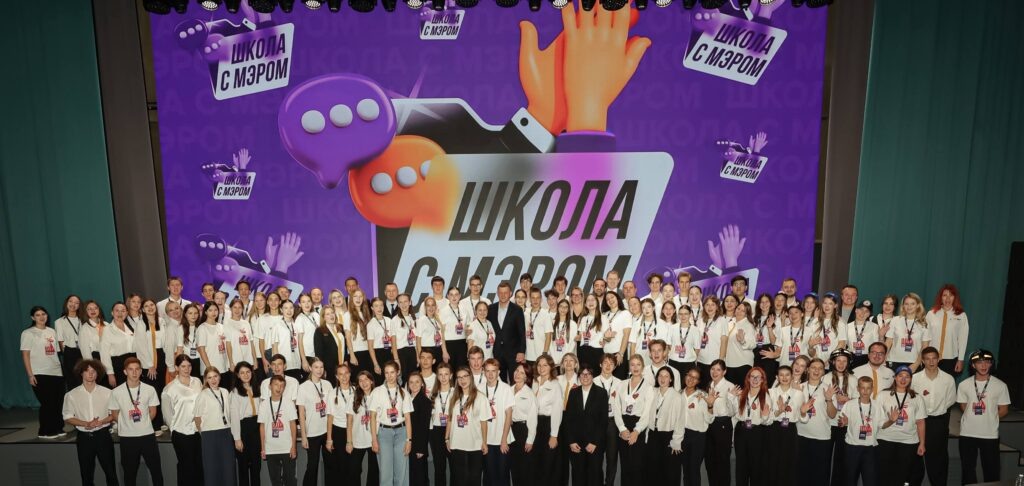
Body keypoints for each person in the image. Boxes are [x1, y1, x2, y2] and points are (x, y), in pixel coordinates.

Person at [957, 349, 1009, 484]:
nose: (984, 365)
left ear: (991, 364)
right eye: (979, 362)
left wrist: (989, 418)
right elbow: (963, 406)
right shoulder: (963, 385)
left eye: (987, 362)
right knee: (968, 471)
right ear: (973, 365)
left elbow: (1004, 410)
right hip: (967, 433)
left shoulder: (1000, 385)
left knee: (992, 472)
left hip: (989, 434)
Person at [109, 357, 163, 486]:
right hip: (127, 437)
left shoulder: (149, 389)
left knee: (156, 471)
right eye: (130, 369)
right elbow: (115, 414)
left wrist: (143, 423)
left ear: (141, 371)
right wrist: (129, 423)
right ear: (125, 371)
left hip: (147, 435)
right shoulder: (116, 392)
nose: (134, 372)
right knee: (129, 474)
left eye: (137, 369)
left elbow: (153, 412)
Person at [62, 359, 118, 486]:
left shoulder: (108, 393)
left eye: (94, 371)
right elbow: (67, 416)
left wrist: (101, 422)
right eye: (87, 371)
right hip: (84, 438)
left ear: (98, 373)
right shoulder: (71, 395)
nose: (91, 373)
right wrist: (86, 424)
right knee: (86, 475)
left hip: (103, 436)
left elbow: (113, 414)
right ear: (81, 373)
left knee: (111, 473)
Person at [910, 346, 955, 486]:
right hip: (917, 422)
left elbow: (950, 400)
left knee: (938, 459)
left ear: (938, 359)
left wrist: (938, 410)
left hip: (938, 421)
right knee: (914, 458)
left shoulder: (948, 379)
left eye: (934, 358)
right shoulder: (915, 378)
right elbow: (910, 399)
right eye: (927, 359)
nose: (931, 362)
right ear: (922, 361)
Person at [875, 365, 925, 486]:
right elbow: (878, 422)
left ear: (910, 379)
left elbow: (920, 422)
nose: (903, 379)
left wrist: (922, 443)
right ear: (895, 378)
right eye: (900, 376)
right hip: (885, 440)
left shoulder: (917, 398)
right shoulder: (883, 395)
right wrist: (891, 421)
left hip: (908, 442)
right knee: (884, 476)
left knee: (902, 477)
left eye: (907, 376)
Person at [21, 305, 66, 438]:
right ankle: (46, 431)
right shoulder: (28, 333)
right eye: (38, 315)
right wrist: (30, 375)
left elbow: (56, 351)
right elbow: (25, 355)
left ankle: (58, 427)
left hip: (56, 371)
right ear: (32, 318)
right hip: (40, 372)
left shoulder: (52, 331)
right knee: (48, 402)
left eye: (43, 314)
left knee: (58, 402)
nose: (41, 317)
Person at [564, 364, 610, 486]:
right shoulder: (573, 393)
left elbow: (603, 421)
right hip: (576, 444)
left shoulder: (601, 393)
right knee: (578, 475)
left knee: (594, 475)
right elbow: (568, 419)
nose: (585, 376)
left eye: (588, 374)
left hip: (595, 443)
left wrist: (594, 442)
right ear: (579, 376)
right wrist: (571, 441)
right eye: (582, 374)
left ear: (592, 376)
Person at [370, 361, 414, 486]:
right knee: (385, 472)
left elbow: (408, 418)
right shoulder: (377, 391)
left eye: (392, 372)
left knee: (402, 471)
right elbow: (372, 417)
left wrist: (409, 440)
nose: (389, 376)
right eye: (386, 373)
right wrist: (374, 440)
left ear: (398, 372)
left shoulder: (404, 392)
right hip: (384, 433)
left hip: (401, 432)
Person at [162, 354, 204, 485]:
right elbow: (167, 415)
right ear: (176, 367)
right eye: (183, 366)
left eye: (189, 366)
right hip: (181, 433)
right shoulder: (169, 389)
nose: (187, 369)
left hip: (198, 431)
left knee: (199, 466)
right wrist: (174, 431)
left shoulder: (197, 382)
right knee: (186, 468)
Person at [613, 354, 655, 486]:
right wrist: (621, 429)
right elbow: (616, 408)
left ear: (643, 367)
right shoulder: (622, 384)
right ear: (629, 367)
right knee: (625, 465)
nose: (635, 367)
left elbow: (647, 413)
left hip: (639, 427)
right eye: (632, 364)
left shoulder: (648, 387)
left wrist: (637, 431)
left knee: (637, 466)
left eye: (638, 364)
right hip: (623, 426)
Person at [836, 376, 885, 486]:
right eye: (862, 388)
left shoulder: (877, 405)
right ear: (858, 388)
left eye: (868, 388)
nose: (865, 391)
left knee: (870, 481)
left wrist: (891, 420)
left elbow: (882, 424)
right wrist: (843, 422)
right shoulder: (850, 404)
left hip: (870, 448)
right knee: (849, 480)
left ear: (872, 389)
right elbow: (841, 422)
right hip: (852, 447)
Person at [447, 365, 490, 486]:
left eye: (465, 376)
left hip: (474, 444)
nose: (462, 380)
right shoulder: (453, 396)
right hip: (457, 444)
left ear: (470, 377)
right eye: (459, 377)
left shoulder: (481, 398)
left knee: (474, 479)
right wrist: (447, 438)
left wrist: (484, 442)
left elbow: (484, 422)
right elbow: (450, 419)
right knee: (459, 479)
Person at [194, 366, 237, 485]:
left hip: (226, 432)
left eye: (215, 376)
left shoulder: (225, 391)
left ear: (220, 377)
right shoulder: (203, 394)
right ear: (206, 380)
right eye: (209, 377)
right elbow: (197, 418)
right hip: (209, 434)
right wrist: (203, 433)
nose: (213, 380)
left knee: (228, 467)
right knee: (211, 468)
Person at [645, 366, 684, 486]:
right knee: (653, 469)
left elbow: (680, 420)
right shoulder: (653, 392)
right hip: (653, 435)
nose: (663, 379)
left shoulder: (677, 396)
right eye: (660, 376)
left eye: (666, 376)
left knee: (669, 471)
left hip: (669, 436)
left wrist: (676, 440)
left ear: (671, 379)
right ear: (657, 378)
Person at [797, 358, 833, 486]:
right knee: (801, 474)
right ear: (807, 370)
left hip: (822, 437)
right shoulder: (799, 387)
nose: (816, 371)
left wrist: (829, 400)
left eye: (820, 368)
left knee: (820, 475)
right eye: (813, 367)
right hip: (801, 435)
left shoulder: (828, 389)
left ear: (823, 372)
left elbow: (832, 414)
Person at [297, 358, 333, 486]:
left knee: (330, 464)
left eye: (321, 367)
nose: (319, 370)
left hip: (327, 431)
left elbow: (332, 409)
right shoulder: (303, 387)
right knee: (312, 466)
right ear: (310, 368)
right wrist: (304, 436)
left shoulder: (327, 384)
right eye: (316, 367)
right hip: (312, 433)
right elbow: (301, 414)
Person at [824, 348, 856, 486]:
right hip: (828, 423)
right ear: (833, 362)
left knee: (841, 459)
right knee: (824, 458)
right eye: (838, 360)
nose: (841, 364)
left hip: (845, 423)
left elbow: (859, 401)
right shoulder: (826, 378)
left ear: (848, 363)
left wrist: (847, 399)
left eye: (844, 361)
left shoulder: (853, 379)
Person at [767, 365, 803, 486]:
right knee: (773, 461)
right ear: (777, 377)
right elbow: (767, 416)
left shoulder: (798, 393)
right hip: (774, 429)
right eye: (781, 375)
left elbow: (802, 417)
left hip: (790, 430)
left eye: (787, 375)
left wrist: (803, 413)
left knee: (788, 461)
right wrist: (779, 411)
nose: (784, 377)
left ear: (792, 376)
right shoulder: (770, 392)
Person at [259, 374, 299, 486]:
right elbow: (262, 427)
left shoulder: (289, 403)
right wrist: (263, 448)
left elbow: (293, 425)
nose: (279, 388)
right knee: (275, 481)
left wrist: (293, 446)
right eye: (276, 384)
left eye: (282, 385)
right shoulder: (263, 404)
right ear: (269, 386)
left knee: (290, 479)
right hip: (270, 448)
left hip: (287, 447)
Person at [482, 358, 515, 486]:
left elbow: (509, 415)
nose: (490, 374)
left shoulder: (505, 388)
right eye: (487, 371)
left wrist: (504, 440)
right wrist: (483, 441)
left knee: (503, 475)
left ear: (499, 372)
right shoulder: (479, 389)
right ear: (484, 372)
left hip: (502, 439)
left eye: (493, 371)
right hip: (487, 440)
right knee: (489, 475)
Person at [137, 299, 169, 431]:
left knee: (161, 390)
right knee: (152, 392)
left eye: (152, 305)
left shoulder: (161, 321)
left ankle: (161, 420)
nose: (150, 308)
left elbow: (166, 342)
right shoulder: (141, 324)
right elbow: (141, 347)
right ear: (142, 310)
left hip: (162, 358)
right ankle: (154, 423)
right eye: (146, 306)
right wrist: (149, 365)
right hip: (149, 361)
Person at [705, 359, 738, 486]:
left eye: (718, 369)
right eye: (712, 369)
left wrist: (730, 397)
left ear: (724, 372)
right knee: (710, 462)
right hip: (710, 424)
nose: (714, 372)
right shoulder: (710, 385)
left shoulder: (730, 386)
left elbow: (733, 412)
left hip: (723, 425)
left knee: (722, 463)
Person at [926, 284, 970, 376]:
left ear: (955, 298)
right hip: (931, 358)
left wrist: (960, 360)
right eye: (945, 295)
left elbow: (963, 339)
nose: (948, 298)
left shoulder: (961, 315)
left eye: (951, 295)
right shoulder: (931, 314)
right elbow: (926, 337)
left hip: (950, 359)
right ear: (940, 297)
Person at [487, 281, 527, 382]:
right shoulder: (490, 309)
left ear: (510, 293)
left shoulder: (517, 310)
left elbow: (522, 333)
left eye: (505, 292)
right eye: (500, 292)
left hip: (513, 354)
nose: (503, 295)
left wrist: (522, 351)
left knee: (515, 381)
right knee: (499, 382)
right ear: (497, 293)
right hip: (496, 353)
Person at [534, 355, 563, 486]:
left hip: (548, 425)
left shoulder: (555, 385)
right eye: (539, 365)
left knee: (548, 464)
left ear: (551, 367)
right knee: (537, 463)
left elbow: (557, 411)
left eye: (545, 365)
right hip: (535, 425)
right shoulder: (535, 382)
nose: (541, 368)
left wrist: (554, 435)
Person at [231, 362, 262, 486]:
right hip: (243, 428)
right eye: (242, 373)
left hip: (256, 427)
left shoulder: (257, 388)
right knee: (243, 466)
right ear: (238, 375)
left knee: (256, 466)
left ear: (252, 373)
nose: (246, 375)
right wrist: (237, 439)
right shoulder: (235, 392)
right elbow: (234, 417)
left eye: (248, 372)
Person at [680, 367, 712, 486]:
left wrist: (710, 405)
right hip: (682, 435)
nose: (691, 379)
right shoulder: (679, 394)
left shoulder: (702, 396)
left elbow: (709, 419)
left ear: (698, 381)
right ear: (685, 376)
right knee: (685, 470)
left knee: (694, 471)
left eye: (695, 378)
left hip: (697, 437)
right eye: (689, 375)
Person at [325, 363, 355, 485]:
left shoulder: (356, 391)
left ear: (350, 374)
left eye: (346, 373)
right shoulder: (333, 393)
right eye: (341, 374)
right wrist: (329, 439)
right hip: (339, 431)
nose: (344, 377)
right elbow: (330, 417)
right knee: (341, 466)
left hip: (354, 431)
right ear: (337, 377)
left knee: (353, 467)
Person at [509, 362, 538, 486]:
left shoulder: (530, 394)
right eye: (517, 371)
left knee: (525, 467)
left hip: (523, 430)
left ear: (527, 377)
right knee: (514, 465)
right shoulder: (508, 390)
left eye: (522, 373)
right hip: (510, 430)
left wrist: (530, 440)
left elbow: (533, 419)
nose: (518, 374)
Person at [887, 293, 930, 371]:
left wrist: (916, 364)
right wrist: (883, 358)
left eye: (912, 304)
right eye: (906, 304)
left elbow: (925, 347)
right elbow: (888, 342)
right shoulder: (895, 320)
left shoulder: (924, 323)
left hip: (914, 363)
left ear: (918, 305)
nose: (909, 307)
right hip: (894, 361)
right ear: (903, 305)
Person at [430, 363, 456, 486]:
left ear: (451, 375)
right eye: (440, 374)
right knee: (439, 468)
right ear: (437, 376)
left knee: (454, 467)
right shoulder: (433, 394)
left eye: (446, 374)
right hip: (436, 431)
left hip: (452, 431)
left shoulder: (456, 393)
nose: (443, 377)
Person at [101, 302, 136, 387]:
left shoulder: (133, 326)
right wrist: (110, 373)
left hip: (134, 363)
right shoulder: (107, 330)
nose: (120, 313)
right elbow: (104, 353)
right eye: (117, 311)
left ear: (127, 313)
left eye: (123, 311)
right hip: (118, 365)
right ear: (112, 313)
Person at [721, 302, 757, 385]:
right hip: (729, 363)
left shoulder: (748, 325)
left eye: (743, 311)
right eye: (738, 309)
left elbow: (753, 344)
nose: (739, 311)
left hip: (742, 364)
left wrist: (742, 341)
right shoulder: (731, 323)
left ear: (746, 314)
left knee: (740, 391)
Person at [407, 371, 432, 486]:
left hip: (418, 446)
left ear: (422, 384)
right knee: (411, 476)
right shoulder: (406, 399)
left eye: (417, 382)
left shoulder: (425, 401)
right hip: (408, 443)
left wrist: (421, 449)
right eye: (411, 382)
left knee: (420, 477)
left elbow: (424, 427)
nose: (414, 385)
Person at [56, 295, 86, 390]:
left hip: (84, 351)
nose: (73, 304)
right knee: (72, 381)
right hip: (70, 353)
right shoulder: (59, 321)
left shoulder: (83, 320)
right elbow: (60, 340)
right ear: (66, 303)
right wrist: (66, 353)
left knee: (85, 378)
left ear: (79, 306)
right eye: (71, 301)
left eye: (76, 303)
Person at [629, 298, 668, 367]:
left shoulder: (662, 324)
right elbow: (633, 344)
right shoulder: (636, 324)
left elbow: (666, 345)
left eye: (649, 307)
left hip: (657, 360)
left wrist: (665, 357)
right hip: (639, 360)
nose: (646, 310)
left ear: (653, 308)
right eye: (643, 308)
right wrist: (632, 362)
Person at [314, 306, 346, 387]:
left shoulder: (340, 327)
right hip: (329, 368)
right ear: (324, 317)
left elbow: (345, 347)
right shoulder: (320, 331)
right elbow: (318, 353)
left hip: (342, 366)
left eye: (332, 313)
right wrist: (323, 369)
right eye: (327, 314)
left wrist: (346, 360)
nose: (331, 315)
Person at [441, 287, 469, 369]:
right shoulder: (443, 311)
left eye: (456, 294)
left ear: (460, 296)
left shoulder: (464, 310)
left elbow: (467, 328)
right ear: (447, 296)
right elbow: (441, 334)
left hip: (462, 344)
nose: (454, 297)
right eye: (451, 294)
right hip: (449, 345)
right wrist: (444, 352)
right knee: (450, 371)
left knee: (462, 370)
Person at [393, 294, 419, 382]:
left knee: (414, 378)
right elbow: (393, 342)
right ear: (398, 304)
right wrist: (396, 360)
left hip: (413, 351)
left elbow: (416, 341)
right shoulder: (395, 320)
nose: (403, 304)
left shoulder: (414, 319)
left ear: (410, 302)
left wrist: (418, 356)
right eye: (400, 302)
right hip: (401, 353)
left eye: (405, 301)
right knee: (404, 379)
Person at [577, 295, 606, 374]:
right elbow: (580, 336)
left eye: (593, 300)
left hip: (596, 351)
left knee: (596, 376)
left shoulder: (603, 318)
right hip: (583, 350)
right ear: (585, 304)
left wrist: (605, 340)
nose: (591, 302)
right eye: (588, 300)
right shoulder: (583, 318)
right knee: (584, 376)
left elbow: (607, 336)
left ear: (597, 302)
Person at [846, 301, 879, 369]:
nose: (862, 313)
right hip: (851, 358)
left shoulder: (874, 326)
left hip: (867, 359)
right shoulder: (847, 326)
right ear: (856, 310)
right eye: (861, 309)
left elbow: (876, 345)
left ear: (869, 314)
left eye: (866, 311)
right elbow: (844, 344)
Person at [416, 297, 448, 367]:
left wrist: (444, 352)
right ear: (425, 307)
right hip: (426, 351)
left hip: (438, 350)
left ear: (436, 307)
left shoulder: (438, 320)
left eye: (433, 305)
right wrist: (420, 356)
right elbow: (418, 341)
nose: (431, 308)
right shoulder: (421, 320)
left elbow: (442, 338)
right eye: (428, 305)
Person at [525, 287, 554, 364]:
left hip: (540, 356)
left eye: (538, 298)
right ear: (529, 299)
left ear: (541, 299)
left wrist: (544, 353)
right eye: (533, 298)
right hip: (527, 356)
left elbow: (548, 336)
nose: (535, 300)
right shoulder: (525, 313)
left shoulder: (545, 314)